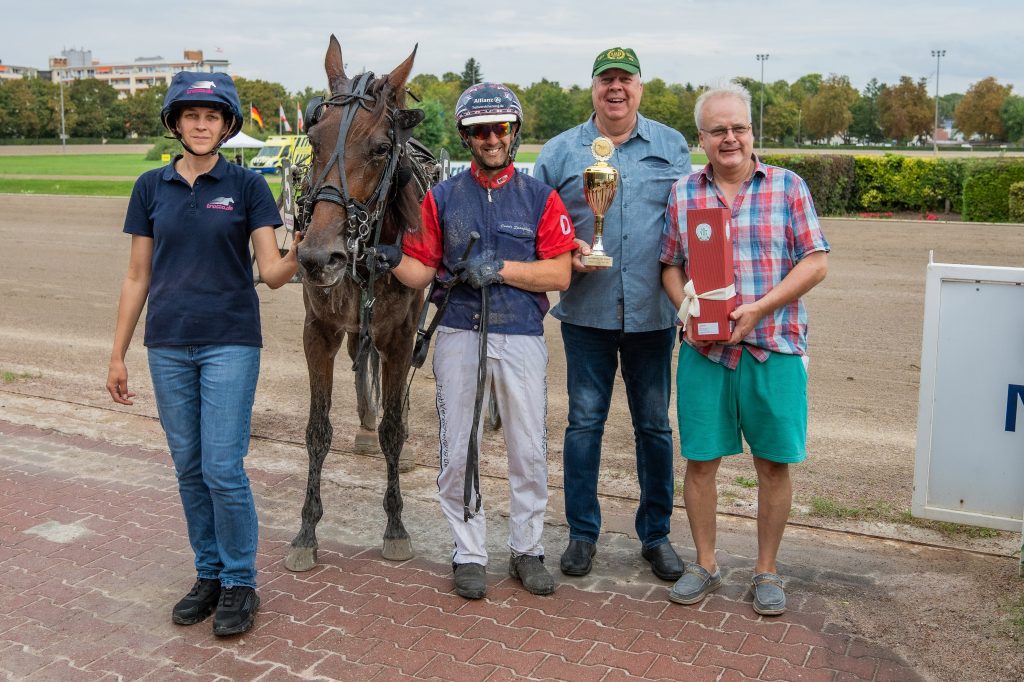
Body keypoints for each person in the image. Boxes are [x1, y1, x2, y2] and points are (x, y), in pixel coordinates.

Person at [106, 71, 300, 636]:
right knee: (189, 468)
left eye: (211, 116)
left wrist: (304, 247)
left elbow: (272, 273)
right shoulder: (150, 186)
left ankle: (240, 581)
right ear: (175, 122)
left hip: (230, 342)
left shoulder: (248, 186)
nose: (200, 124)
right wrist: (117, 354)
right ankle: (209, 574)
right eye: (191, 115)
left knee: (222, 467)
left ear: (226, 124)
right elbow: (137, 275)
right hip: (167, 344)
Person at [373, 83, 576, 600]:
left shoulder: (540, 197)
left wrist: (501, 268)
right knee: (458, 449)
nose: (491, 138)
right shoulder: (442, 197)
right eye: (480, 130)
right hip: (459, 331)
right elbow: (422, 271)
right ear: (466, 137)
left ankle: (527, 549)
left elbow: (559, 273)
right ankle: (469, 552)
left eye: (500, 128)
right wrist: (390, 258)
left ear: (514, 132)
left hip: (521, 333)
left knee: (528, 449)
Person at [660, 82, 829, 616]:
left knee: (773, 466)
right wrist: (687, 312)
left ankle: (766, 570)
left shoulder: (788, 187)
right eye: (718, 130)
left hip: (772, 347)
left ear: (752, 132)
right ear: (701, 139)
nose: (729, 138)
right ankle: (705, 564)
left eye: (738, 128)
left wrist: (759, 308)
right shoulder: (684, 193)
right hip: (705, 352)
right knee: (700, 462)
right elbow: (670, 266)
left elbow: (816, 261)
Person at [533, 47, 691, 581]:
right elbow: (538, 229)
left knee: (654, 428)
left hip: (653, 315)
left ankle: (656, 535)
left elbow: (688, 225)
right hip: (586, 313)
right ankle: (582, 533)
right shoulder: (560, 152)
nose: (616, 88)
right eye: (607, 80)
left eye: (625, 79)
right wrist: (567, 249)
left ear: (640, 87)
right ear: (594, 88)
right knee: (583, 425)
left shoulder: (671, 146)